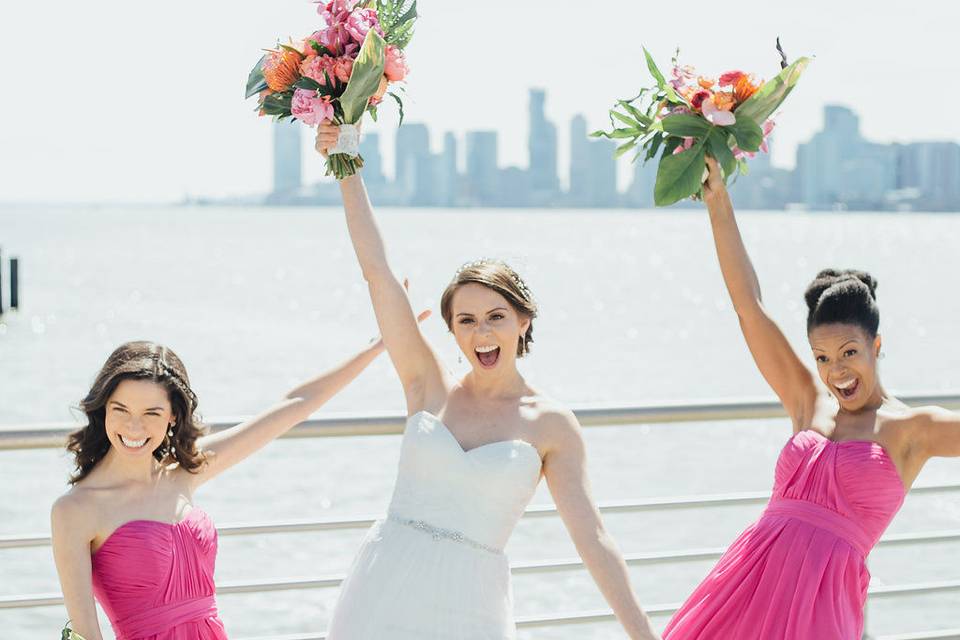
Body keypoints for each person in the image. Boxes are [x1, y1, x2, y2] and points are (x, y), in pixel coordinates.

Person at [315, 123, 661, 640]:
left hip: (471, 608)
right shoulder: (428, 385)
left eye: (496, 316)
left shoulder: (552, 426)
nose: (482, 333)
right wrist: (347, 160)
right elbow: (377, 272)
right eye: (467, 320)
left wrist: (644, 636)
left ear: (523, 321)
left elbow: (594, 539)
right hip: (381, 591)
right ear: (451, 329)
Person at [663, 157, 960, 639]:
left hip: (821, 611)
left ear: (876, 346)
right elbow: (748, 306)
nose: (836, 371)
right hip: (743, 589)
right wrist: (717, 199)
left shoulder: (911, 429)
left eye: (848, 353)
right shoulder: (809, 403)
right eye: (822, 358)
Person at [51, 329, 417, 640]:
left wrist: (375, 348)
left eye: (152, 413)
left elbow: (294, 406)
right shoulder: (76, 510)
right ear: (103, 409)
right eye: (121, 410)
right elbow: (86, 633)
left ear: (173, 416)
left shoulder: (184, 472)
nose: (134, 427)